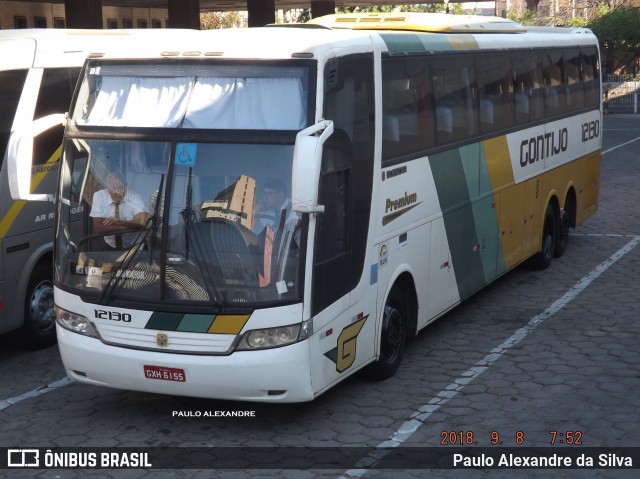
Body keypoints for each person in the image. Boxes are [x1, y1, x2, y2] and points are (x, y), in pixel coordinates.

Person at [90, 172, 149, 249]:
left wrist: (120, 222)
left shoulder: (134, 197)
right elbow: (98, 227)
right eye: (113, 187)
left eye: (119, 187)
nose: (117, 191)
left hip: (135, 246)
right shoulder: (99, 196)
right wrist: (123, 228)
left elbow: (141, 221)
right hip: (111, 245)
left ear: (126, 186)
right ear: (107, 188)